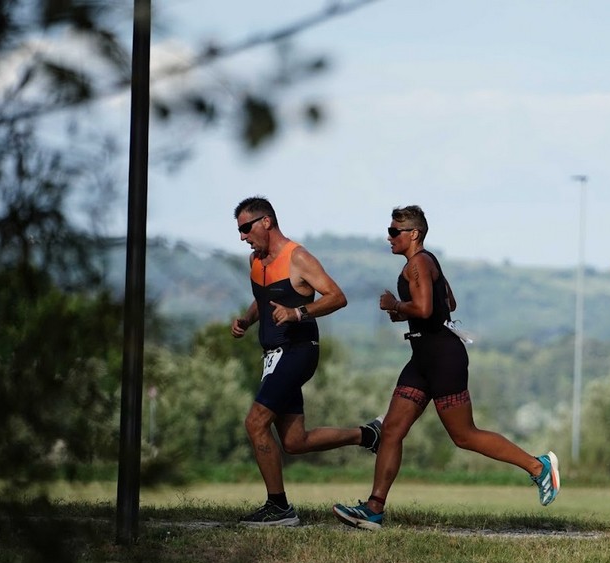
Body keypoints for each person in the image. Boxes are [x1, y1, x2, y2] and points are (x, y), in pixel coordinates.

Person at [332, 205, 559, 530]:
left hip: (442, 358)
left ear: (414, 234)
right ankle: (373, 509)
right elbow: (448, 303)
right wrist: (404, 312)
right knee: (392, 430)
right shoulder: (427, 263)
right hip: (422, 359)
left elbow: (425, 308)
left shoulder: (419, 263)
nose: (389, 237)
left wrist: (396, 305)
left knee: (464, 435)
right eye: (389, 231)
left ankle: (538, 467)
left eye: (395, 231)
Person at [231, 196, 382, 527]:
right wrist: (246, 320)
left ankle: (279, 508)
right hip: (274, 356)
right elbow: (263, 300)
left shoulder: (297, 257)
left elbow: (337, 297)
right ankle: (368, 435)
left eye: (246, 228)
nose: (242, 237)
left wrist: (297, 312)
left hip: (298, 351)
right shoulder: (256, 261)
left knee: (255, 423)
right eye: (239, 231)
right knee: (294, 441)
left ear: (266, 222)